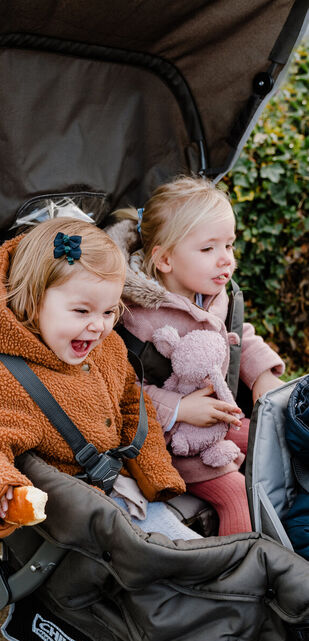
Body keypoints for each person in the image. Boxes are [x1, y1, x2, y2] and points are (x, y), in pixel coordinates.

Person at [0, 217, 199, 542]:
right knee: (188, 563)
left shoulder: (107, 349)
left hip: (126, 495)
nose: (99, 326)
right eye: (81, 311)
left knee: (193, 552)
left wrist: (154, 469)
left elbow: (131, 399)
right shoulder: (3, 377)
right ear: (33, 302)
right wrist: (0, 488)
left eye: (108, 311)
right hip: (71, 526)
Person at [106, 176, 284, 536]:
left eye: (230, 246)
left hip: (218, 422)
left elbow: (236, 335)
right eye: (208, 249)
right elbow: (118, 392)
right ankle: (240, 580)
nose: (226, 260)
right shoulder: (134, 318)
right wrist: (179, 410)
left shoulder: (210, 293)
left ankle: (292, 535)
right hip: (169, 445)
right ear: (166, 259)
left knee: (277, 438)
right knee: (235, 494)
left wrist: (263, 376)